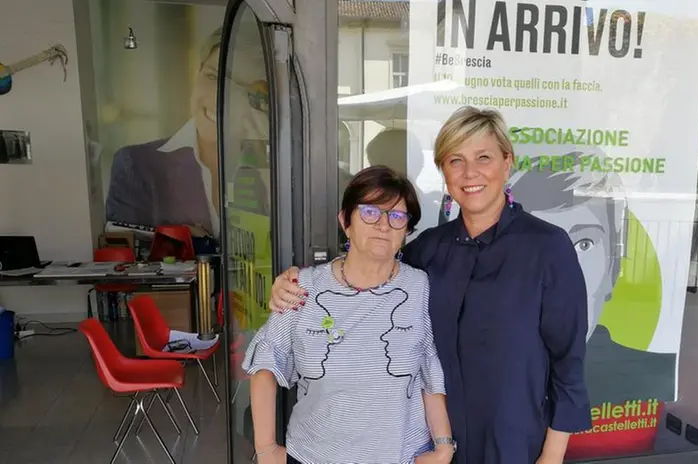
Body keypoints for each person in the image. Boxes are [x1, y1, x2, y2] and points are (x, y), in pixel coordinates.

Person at [269, 106, 592, 463]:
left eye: (483, 157)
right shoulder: (427, 250)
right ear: (444, 172)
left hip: (512, 442)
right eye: (455, 160)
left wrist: (551, 457)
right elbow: (366, 275)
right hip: (431, 446)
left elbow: (567, 364)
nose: (470, 173)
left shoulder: (547, 247)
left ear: (507, 162)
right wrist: (296, 283)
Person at [243, 166, 454, 464]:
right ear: (346, 221)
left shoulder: (419, 286)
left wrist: (443, 448)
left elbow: (428, 368)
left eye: (396, 216)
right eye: (370, 212)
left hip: (401, 456)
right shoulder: (302, 287)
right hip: (316, 454)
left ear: (406, 230)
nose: (383, 225)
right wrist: (265, 449)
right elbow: (266, 361)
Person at [105, 26, 268, 237]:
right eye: (213, 77)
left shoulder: (272, 167)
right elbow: (124, 260)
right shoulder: (136, 165)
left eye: (244, 91)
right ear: (197, 73)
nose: (220, 98)